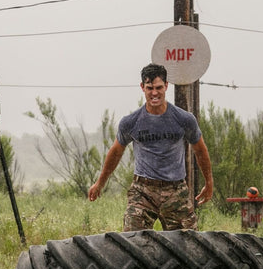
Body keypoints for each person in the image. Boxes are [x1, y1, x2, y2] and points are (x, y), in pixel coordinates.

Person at [88, 63, 213, 231]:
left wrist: (209, 182)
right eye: (150, 88)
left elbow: (200, 150)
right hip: (143, 190)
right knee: (131, 242)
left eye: (159, 87)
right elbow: (116, 152)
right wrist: (100, 183)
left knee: (189, 243)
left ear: (166, 86)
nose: (155, 93)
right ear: (142, 87)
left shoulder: (183, 119)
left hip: (175, 190)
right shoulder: (131, 122)